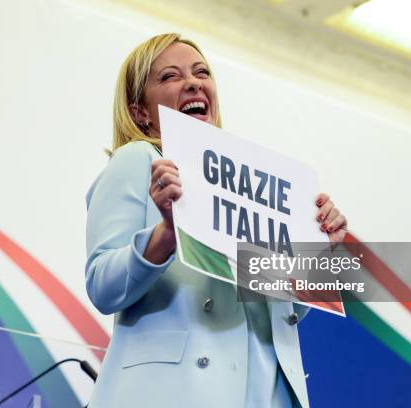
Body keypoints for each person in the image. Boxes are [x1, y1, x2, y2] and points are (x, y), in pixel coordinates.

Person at [85, 33, 347, 408]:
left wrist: (318, 250)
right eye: (170, 76)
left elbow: (282, 309)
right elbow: (102, 285)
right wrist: (166, 234)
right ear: (140, 111)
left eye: (201, 72)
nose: (193, 82)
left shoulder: (249, 184)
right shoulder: (138, 159)